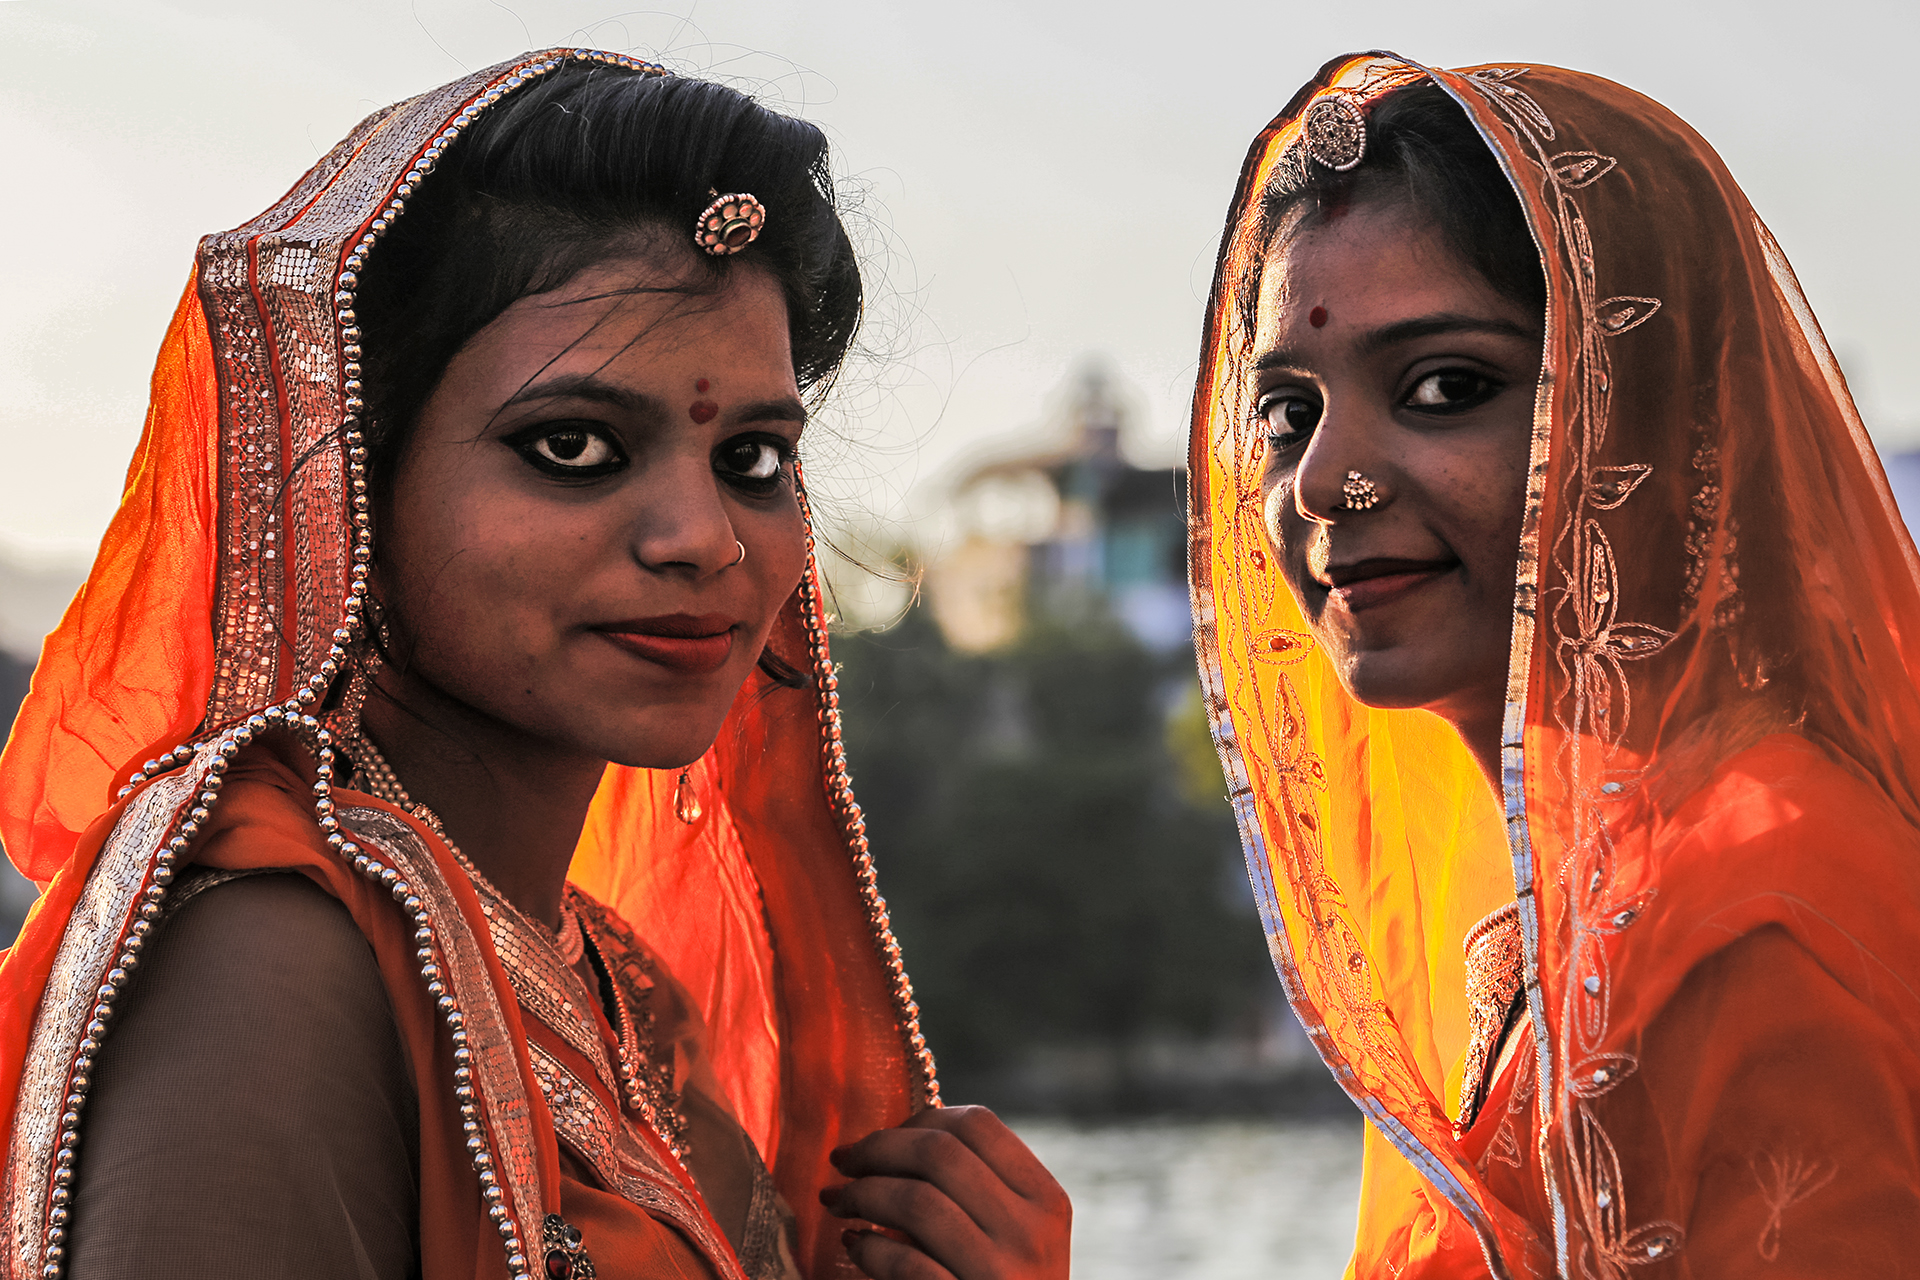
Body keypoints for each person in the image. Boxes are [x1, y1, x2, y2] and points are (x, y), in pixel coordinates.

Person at [0, 49, 1070, 1280]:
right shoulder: (274, 958)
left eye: (753, 459)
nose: (704, 537)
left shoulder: (627, 995)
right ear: (347, 485)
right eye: (573, 445)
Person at [1189, 53, 1920, 1276]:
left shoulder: (1756, 920)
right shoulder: (1562, 916)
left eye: (1444, 386)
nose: (1323, 481)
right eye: (1285, 414)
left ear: (1657, 416)